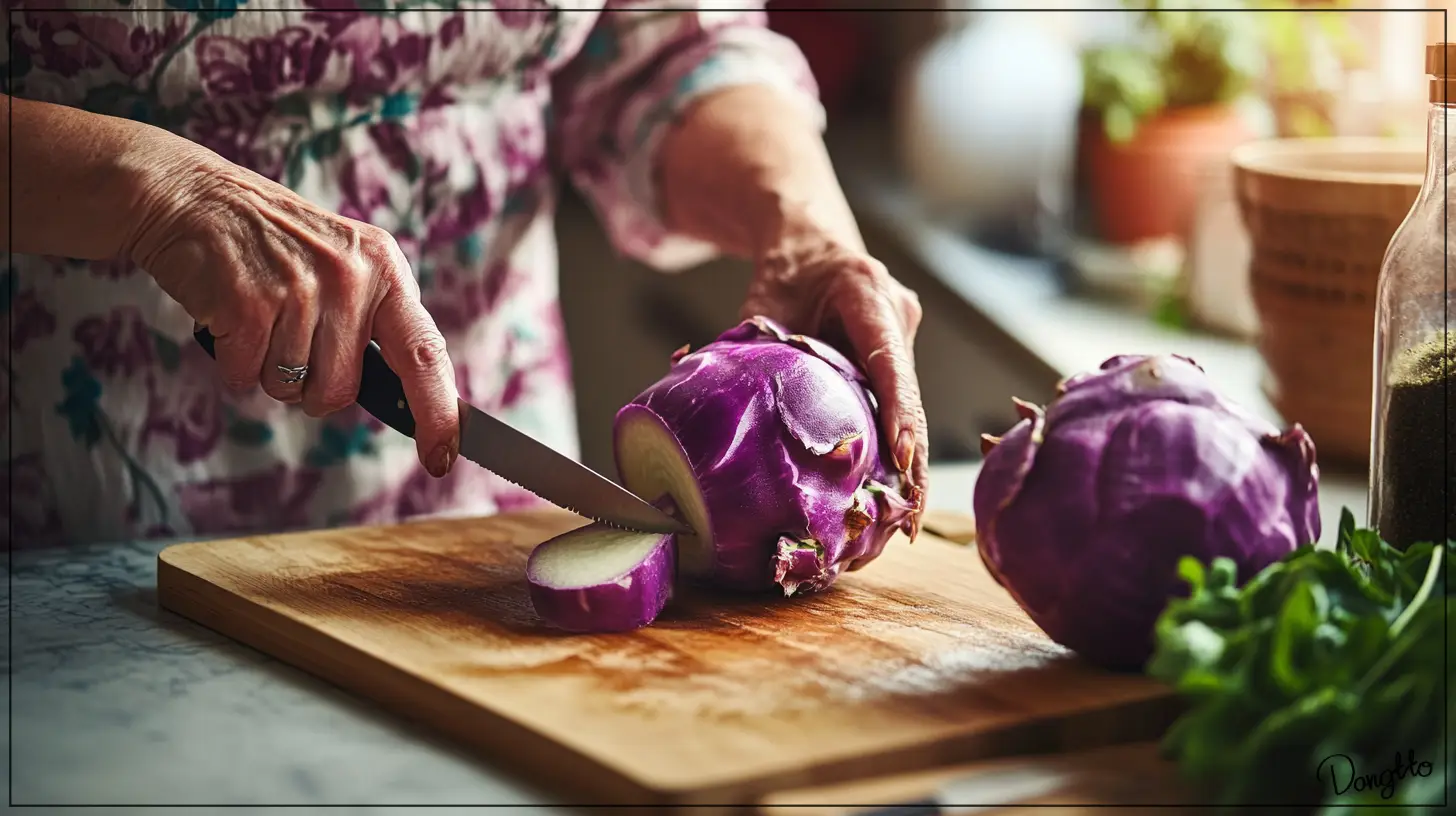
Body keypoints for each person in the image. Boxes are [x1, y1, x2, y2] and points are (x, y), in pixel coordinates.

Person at [2, 2, 928, 547]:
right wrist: (155, 193)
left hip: (480, 507)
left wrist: (804, 230)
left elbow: (668, 47)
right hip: (68, 507)